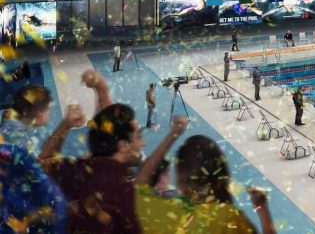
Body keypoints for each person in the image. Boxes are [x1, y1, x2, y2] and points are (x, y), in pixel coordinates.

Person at [134, 117, 277, 234]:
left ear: (181, 180)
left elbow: (139, 185)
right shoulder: (230, 218)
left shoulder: (169, 214)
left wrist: (173, 134)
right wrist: (262, 209)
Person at [40, 71, 141, 234]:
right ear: (123, 146)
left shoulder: (81, 170)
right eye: (138, 136)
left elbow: (45, 159)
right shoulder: (126, 193)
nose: (143, 143)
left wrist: (65, 125)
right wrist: (101, 88)